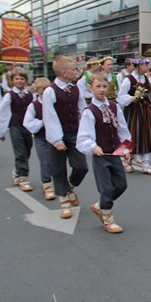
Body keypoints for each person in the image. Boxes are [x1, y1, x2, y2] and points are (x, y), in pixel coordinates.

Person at [77, 72, 130, 233]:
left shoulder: (114, 107)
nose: (101, 90)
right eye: (98, 87)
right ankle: (108, 218)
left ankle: (100, 205)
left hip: (113, 153)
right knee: (106, 188)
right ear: (91, 89)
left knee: (121, 185)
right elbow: (84, 134)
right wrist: (93, 146)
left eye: (104, 86)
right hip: (100, 155)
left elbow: (122, 129)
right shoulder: (90, 111)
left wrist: (126, 149)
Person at [42, 55, 89, 219]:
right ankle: (64, 203)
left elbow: (83, 110)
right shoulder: (50, 91)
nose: (76, 71)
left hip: (74, 132)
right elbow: (49, 116)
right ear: (64, 72)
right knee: (58, 169)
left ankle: (69, 187)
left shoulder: (76, 88)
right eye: (73, 69)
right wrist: (56, 139)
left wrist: (87, 130)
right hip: (58, 134)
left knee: (82, 166)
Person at [117, 57, 151, 175]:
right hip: (133, 112)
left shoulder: (147, 79)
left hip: (145, 111)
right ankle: (127, 163)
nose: (147, 67)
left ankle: (146, 165)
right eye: (145, 65)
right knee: (131, 136)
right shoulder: (128, 80)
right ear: (138, 66)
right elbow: (120, 98)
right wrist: (132, 98)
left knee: (146, 136)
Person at [0, 68, 34, 190]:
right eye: (16, 79)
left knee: (27, 150)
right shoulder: (9, 96)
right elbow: (2, 112)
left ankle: (17, 170)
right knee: (20, 152)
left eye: (22, 79)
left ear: (26, 81)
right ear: (12, 81)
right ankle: (23, 178)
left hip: (27, 127)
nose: (19, 81)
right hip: (15, 126)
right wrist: (0, 130)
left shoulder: (30, 95)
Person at [23, 78, 55, 200]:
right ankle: (47, 184)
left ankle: (57, 183)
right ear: (37, 92)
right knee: (45, 160)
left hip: (53, 137)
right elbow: (28, 123)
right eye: (41, 93)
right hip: (40, 137)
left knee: (55, 162)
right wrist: (41, 122)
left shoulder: (54, 104)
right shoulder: (34, 106)